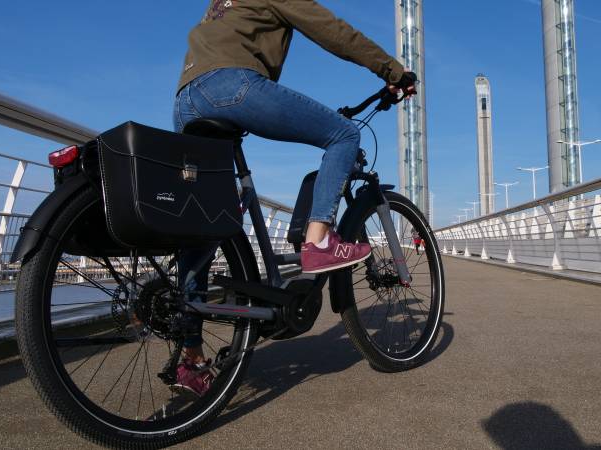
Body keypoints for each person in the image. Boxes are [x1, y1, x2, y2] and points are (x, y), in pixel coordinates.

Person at [170, 0, 417, 396]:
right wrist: (393, 70)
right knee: (343, 134)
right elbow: (330, 29)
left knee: (206, 223)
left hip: (186, 99)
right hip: (232, 87)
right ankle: (318, 240)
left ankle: (191, 358)